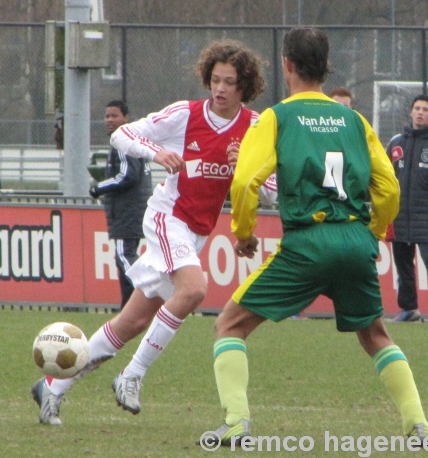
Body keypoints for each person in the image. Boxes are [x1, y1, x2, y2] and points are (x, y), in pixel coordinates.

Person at [201, 27, 428, 446]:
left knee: (230, 326)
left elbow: (244, 183)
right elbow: (389, 189)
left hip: (307, 243)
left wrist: (244, 233)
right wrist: (373, 233)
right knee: (376, 334)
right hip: (354, 239)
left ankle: (237, 423)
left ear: (287, 66)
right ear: (326, 68)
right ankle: (419, 426)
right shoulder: (354, 119)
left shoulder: (277, 117)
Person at [31, 38, 270, 425]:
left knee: (131, 322)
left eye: (229, 82)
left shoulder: (255, 127)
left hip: (196, 233)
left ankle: (52, 388)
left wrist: (247, 166)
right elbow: (121, 135)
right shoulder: (185, 114)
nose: (220, 88)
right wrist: (156, 153)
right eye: (215, 79)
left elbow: (273, 185)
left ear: (246, 86)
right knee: (193, 289)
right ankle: (132, 375)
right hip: (166, 217)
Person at [386, 95, 428, 323]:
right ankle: (409, 309)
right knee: (402, 265)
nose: (420, 112)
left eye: (425, 109)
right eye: (417, 108)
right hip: (399, 217)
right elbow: (385, 177)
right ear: (410, 112)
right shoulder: (396, 142)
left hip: (427, 218)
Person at [89, 100, 153, 310]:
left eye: (114, 116)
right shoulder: (133, 139)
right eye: (107, 116)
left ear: (125, 117)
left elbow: (128, 175)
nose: (109, 120)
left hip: (128, 211)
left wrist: (99, 187)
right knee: (125, 256)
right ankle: (128, 307)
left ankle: (143, 299)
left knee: (124, 257)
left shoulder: (123, 140)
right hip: (133, 210)